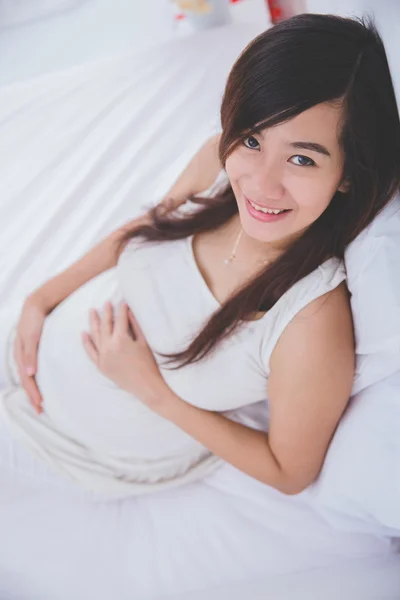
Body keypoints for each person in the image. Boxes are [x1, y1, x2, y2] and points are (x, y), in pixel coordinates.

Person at [1, 12, 400, 599]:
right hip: (27, 362)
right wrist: (42, 297)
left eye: (303, 158)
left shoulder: (311, 319)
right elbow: (151, 226)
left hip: (77, 455)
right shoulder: (220, 157)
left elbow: (291, 472)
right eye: (255, 138)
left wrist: (151, 389)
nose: (261, 183)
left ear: (346, 174)